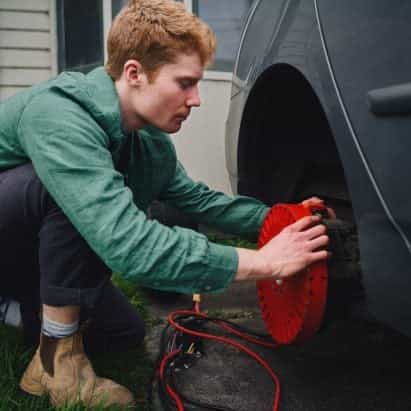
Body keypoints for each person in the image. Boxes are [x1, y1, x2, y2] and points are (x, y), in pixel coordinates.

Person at [0, 0, 331, 408]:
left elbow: (198, 201)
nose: (196, 99)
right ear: (135, 73)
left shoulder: (149, 141)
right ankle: (56, 363)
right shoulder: (60, 115)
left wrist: (283, 220)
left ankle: (18, 312)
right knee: (67, 192)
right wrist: (266, 263)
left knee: (123, 333)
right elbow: (129, 245)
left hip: (25, 252)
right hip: (10, 228)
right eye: (185, 83)